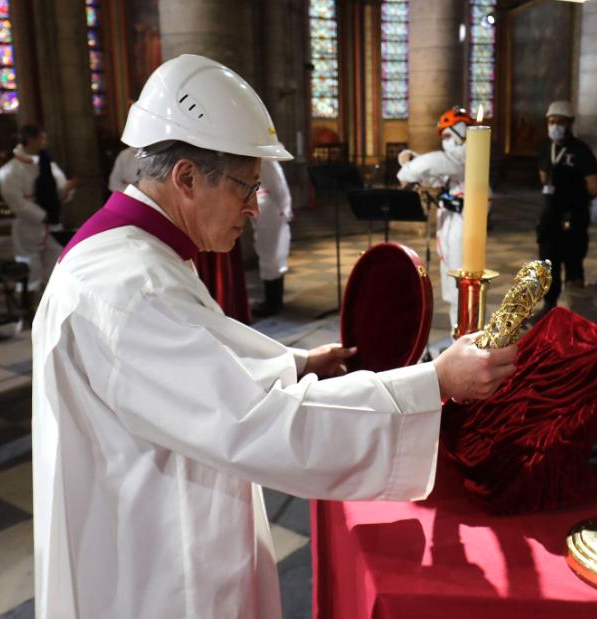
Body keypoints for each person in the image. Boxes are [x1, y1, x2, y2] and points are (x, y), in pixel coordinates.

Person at [32, 54, 518, 618]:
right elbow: (255, 423)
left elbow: (197, 359)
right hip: (156, 568)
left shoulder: (135, 255)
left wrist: (295, 364)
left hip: (154, 517)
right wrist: (434, 381)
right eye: (245, 187)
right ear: (186, 177)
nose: (253, 208)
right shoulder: (128, 287)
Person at [397, 106, 473, 334]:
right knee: (452, 287)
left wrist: (407, 171)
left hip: (463, 225)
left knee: (462, 286)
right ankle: (456, 337)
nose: (445, 141)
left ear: (461, 131)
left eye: (449, 135)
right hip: (450, 223)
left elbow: (437, 163)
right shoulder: (456, 159)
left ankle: (464, 337)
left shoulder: (469, 152)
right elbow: (436, 171)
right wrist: (412, 161)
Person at [536, 100, 597, 314]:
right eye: (551, 121)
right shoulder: (546, 148)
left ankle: (576, 310)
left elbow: (594, 187)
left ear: (570, 124)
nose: (554, 126)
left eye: (560, 122)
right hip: (549, 218)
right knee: (548, 264)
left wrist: (574, 197)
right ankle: (548, 308)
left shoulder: (581, 151)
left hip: (573, 218)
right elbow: (543, 176)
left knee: (573, 264)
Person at [0, 124, 76, 294]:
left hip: (52, 226)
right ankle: (29, 313)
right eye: (42, 138)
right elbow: (17, 203)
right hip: (29, 227)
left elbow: (58, 190)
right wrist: (43, 215)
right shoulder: (9, 170)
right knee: (30, 272)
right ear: (30, 139)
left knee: (56, 270)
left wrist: (66, 189)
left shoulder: (48, 164)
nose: (45, 142)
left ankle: (52, 309)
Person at [251, 158, 292, 318]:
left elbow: (279, 187)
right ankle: (274, 300)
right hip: (267, 210)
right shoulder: (264, 161)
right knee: (268, 255)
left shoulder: (266, 162)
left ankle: (273, 302)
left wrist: (283, 210)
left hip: (270, 212)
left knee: (272, 257)